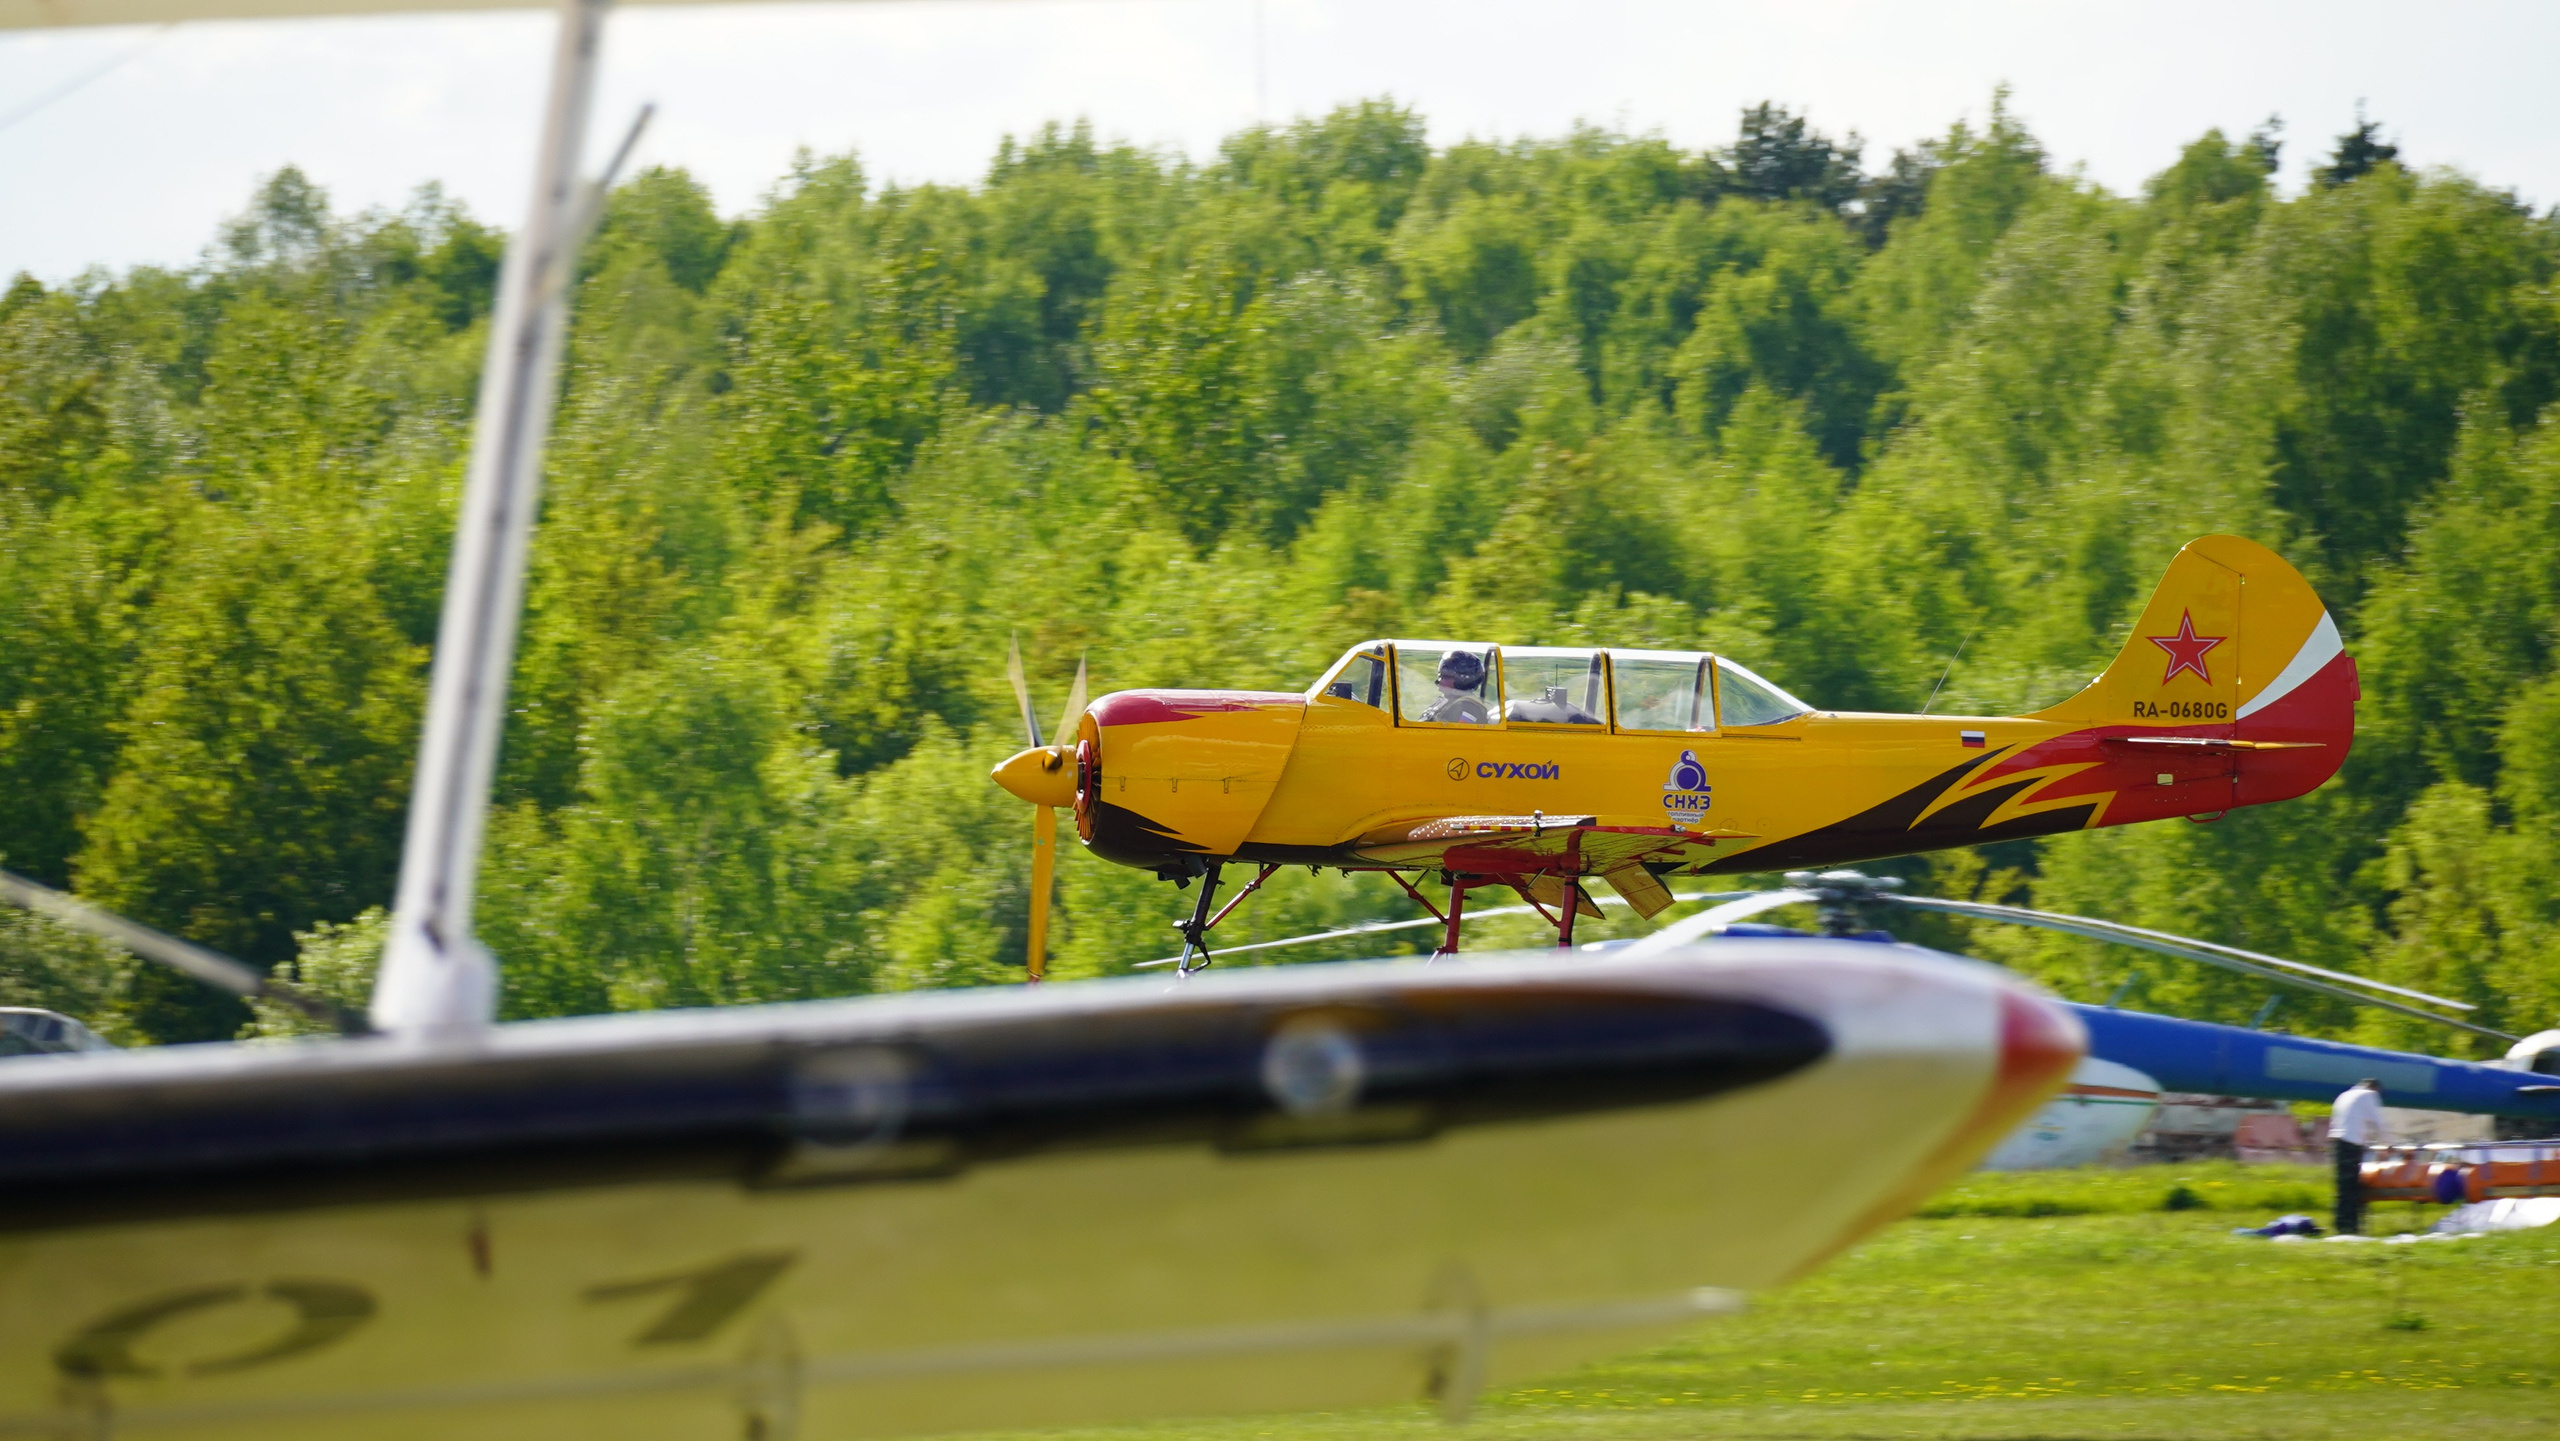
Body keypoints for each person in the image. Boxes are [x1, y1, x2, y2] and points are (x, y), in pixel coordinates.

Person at [2329, 1077, 2385, 1235]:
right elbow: (2378, 1122)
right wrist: (2389, 1144)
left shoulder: (2344, 1095)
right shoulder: (2368, 1095)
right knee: (2353, 1187)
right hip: (2351, 1144)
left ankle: (2341, 1225)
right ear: (2375, 1088)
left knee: (2343, 1187)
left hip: (2338, 1142)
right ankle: (2350, 1227)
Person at [1420, 650, 1491, 724]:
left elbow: (1458, 731)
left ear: (1462, 681)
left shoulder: (1469, 708)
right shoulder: (1446, 701)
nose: (1439, 682)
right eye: (1440, 676)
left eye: (1445, 677)